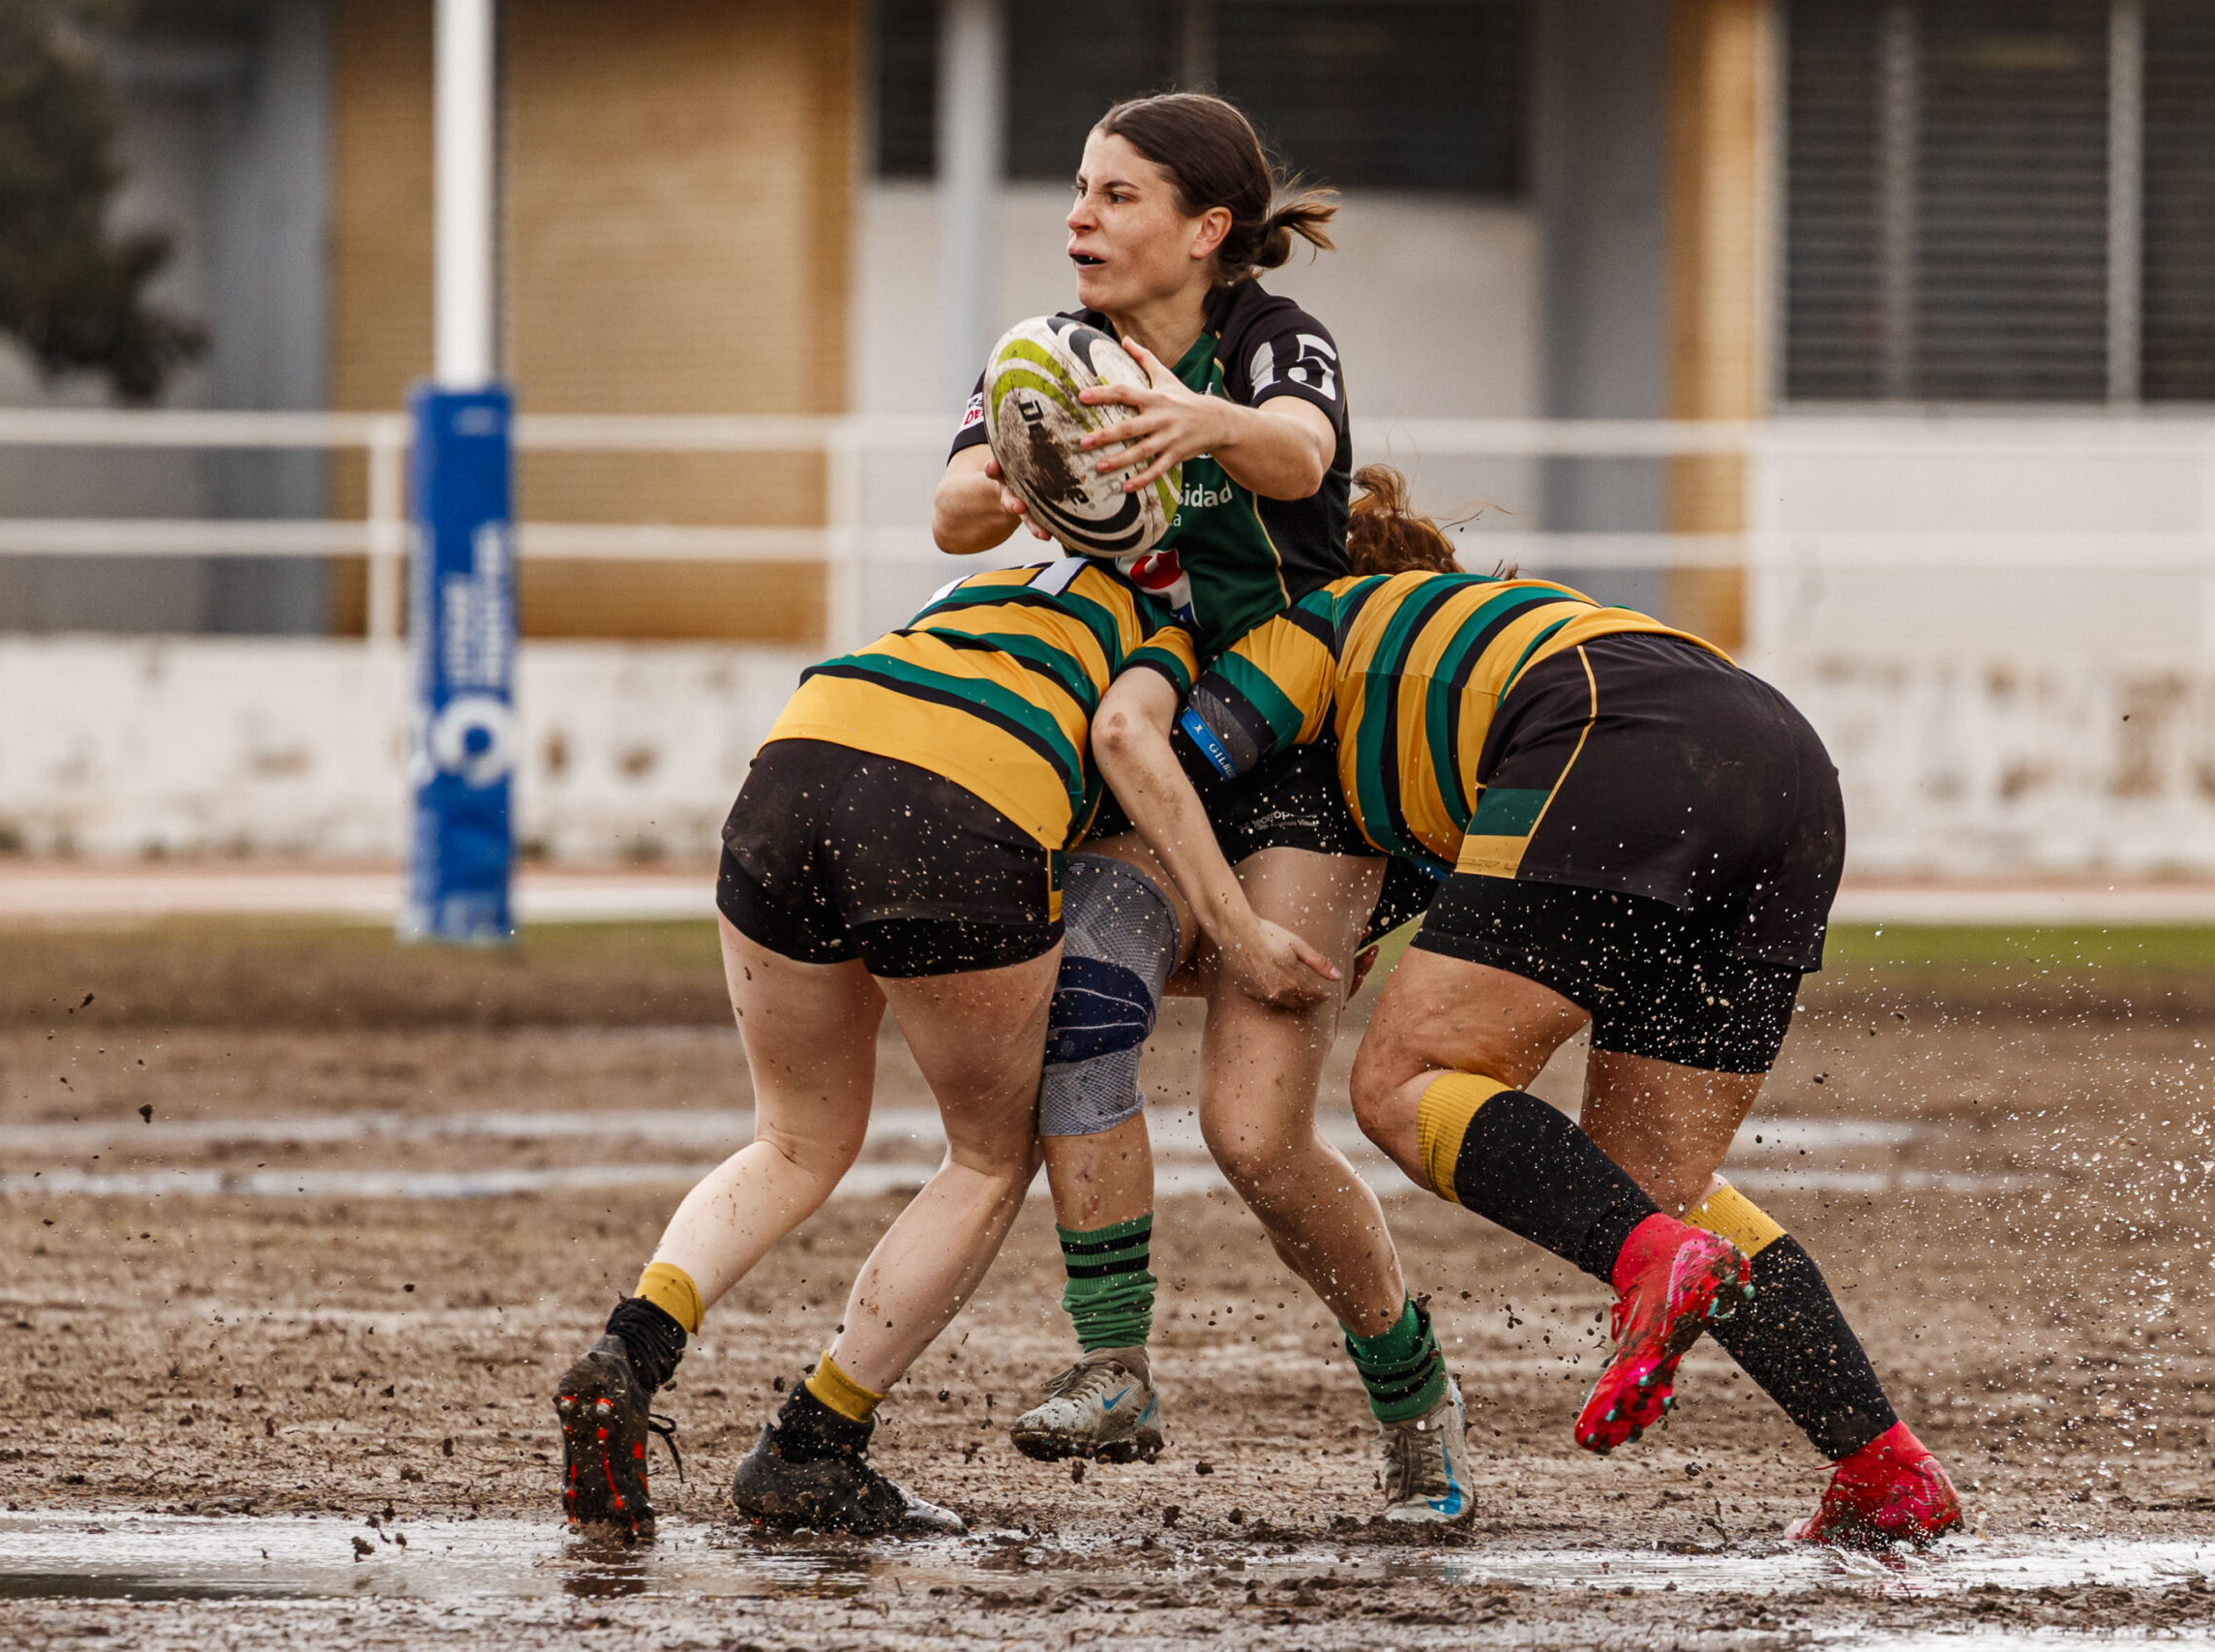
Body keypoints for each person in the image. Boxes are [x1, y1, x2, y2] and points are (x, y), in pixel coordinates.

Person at [1091, 466, 1965, 1550]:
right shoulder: (1463, 656)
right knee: (1654, 1186)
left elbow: (1174, 764)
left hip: (1607, 732)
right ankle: (1882, 1466)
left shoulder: (1316, 621)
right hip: (1787, 766)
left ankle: (1651, 1261)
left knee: (1400, 1085)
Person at [933, 92, 1472, 1524]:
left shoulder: (1270, 341)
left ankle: (1416, 1394)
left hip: (1294, 753)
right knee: (1086, 1008)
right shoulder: (1057, 353)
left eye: (1115, 196)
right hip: (1161, 736)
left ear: (1207, 229)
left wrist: (1200, 421)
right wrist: (1018, 479)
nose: (1079, 219)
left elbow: (1298, 457)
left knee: (1256, 1137)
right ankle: (1116, 1363)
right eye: (1078, 190)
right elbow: (953, 512)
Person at [548, 555, 1240, 1537]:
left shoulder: (994, 580)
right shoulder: (1170, 625)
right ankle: (812, 1446)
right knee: (988, 1158)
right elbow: (1131, 744)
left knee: (791, 1140)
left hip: (794, 761)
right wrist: (1233, 922)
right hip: (959, 804)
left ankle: (631, 1346)